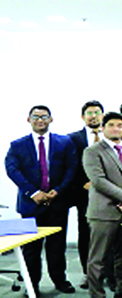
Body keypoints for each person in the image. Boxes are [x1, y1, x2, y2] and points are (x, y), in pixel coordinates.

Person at [5, 105, 78, 295]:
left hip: (57, 202)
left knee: (57, 246)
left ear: (51, 119)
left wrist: (58, 191)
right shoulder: (17, 145)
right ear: (28, 120)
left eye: (44, 116)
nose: (40, 120)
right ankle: (32, 284)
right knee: (31, 249)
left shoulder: (64, 142)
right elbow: (13, 170)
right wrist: (33, 192)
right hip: (30, 204)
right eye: (35, 116)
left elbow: (71, 168)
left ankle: (60, 281)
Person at [82, 112, 122, 298]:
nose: (116, 128)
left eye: (120, 125)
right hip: (103, 212)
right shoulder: (92, 151)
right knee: (98, 258)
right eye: (111, 125)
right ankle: (97, 294)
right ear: (102, 128)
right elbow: (98, 180)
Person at [67, 101, 103, 289]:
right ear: (83, 117)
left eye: (97, 112)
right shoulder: (73, 139)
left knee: (111, 234)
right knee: (86, 234)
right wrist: (82, 183)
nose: (94, 116)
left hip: (110, 195)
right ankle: (87, 273)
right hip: (85, 194)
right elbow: (70, 166)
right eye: (89, 113)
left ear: (103, 116)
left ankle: (109, 273)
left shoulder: (112, 136)